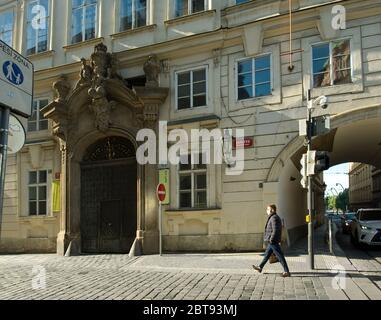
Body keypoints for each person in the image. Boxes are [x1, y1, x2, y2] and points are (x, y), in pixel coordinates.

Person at [253, 204, 291, 277]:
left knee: (280, 256)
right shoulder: (273, 217)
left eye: (268, 209)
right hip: (272, 241)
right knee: (267, 255)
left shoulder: (274, 218)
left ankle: (287, 271)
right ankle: (260, 267)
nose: (267, 211)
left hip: (273, 241)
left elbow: (275, 230)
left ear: (272, 210)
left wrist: (271, 239)